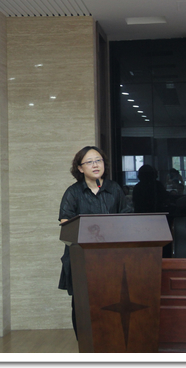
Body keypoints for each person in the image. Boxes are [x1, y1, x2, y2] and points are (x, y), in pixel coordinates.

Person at [57, 145, 133, 338]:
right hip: (81, 257)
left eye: (98, 161)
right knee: (82, 303)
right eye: (89, 162)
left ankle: (110, 340)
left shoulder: (114, 189)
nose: (95, 165)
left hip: (112, 257)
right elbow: (66, 224)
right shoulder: (73, 192)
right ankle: (85, 343)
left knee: (112, 299)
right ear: (80, 168)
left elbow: (127, 218)